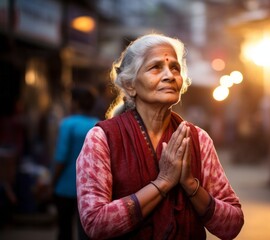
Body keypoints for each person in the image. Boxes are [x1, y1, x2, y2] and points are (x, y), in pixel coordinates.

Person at [76, 33, 244, 239]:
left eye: (175, 68)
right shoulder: (102, 138)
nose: (170, 75)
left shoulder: (198, 139)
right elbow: (95, 223)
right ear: (130, 85)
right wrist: (164, 181)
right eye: (156, 67)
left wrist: (190, 184)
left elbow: (233, 224)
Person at [52, 86, 99, 240]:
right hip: (90, 189)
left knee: (64, 230)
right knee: (86, 233)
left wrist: (53, 182)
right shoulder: (98, 125)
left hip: (65, 187)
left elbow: (61, 157)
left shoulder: (67, 124)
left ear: (76, 103)